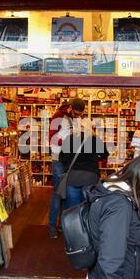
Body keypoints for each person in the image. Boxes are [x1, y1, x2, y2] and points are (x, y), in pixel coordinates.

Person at [84, 155, 140, 279]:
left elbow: (118, 242)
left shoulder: (118, 197)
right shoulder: (119, 206)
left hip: (121, 276)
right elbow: (110, 260)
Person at [48, 98, 86, 238]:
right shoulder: (58, 117)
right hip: (59, 159)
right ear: (70, 108)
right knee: (58, 193)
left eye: (80, 114)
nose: (78, 116)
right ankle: (52, 226)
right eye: (76, 113)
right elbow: (51, 138)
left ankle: (63, 225)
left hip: (70, 160)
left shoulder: (74, 118)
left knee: (68, 194)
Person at [59, 120, 108, 210]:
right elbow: (105, 154)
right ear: (90, 128)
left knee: (71, 210)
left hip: (72, 178)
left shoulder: (69, 139)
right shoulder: (95, 140)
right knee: (88, 210)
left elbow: (61, 158)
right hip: (90, 178)